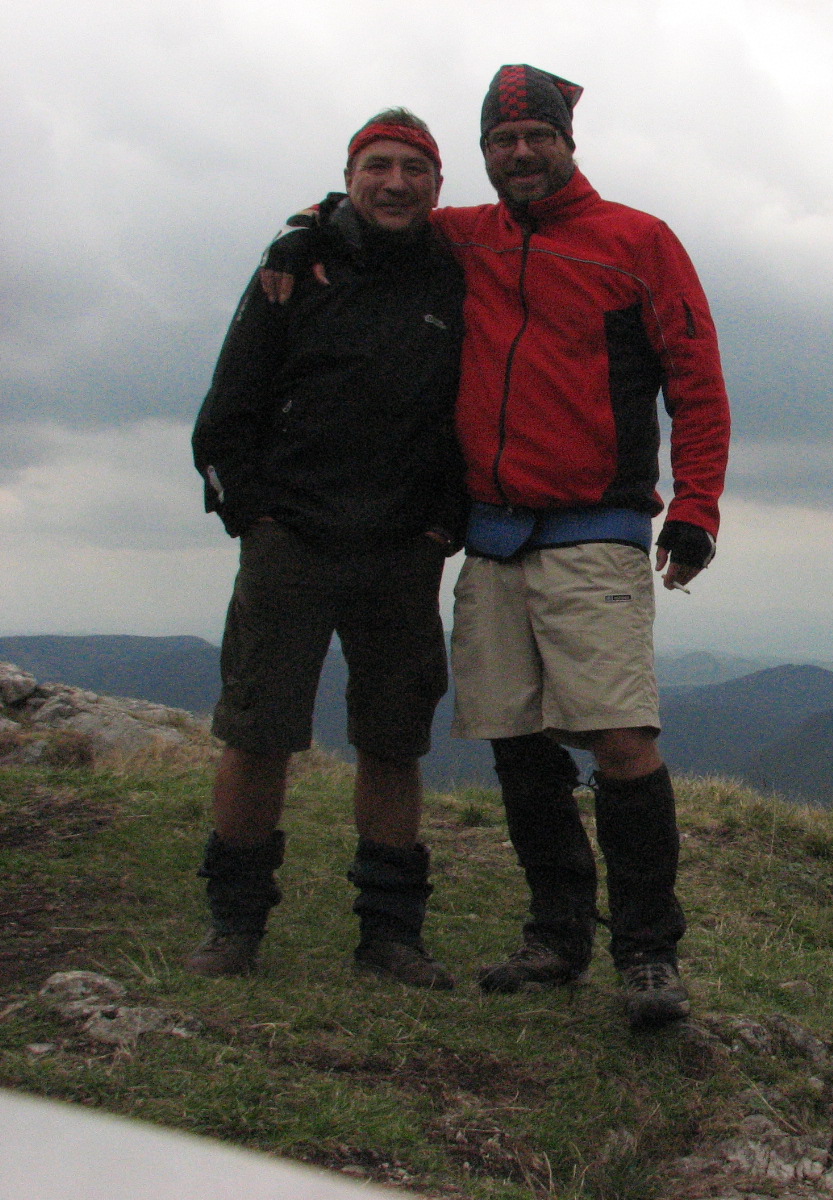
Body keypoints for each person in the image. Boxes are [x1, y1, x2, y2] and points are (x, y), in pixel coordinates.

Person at [265, 65, 731, 1028]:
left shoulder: (638, 241)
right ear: (483, 153)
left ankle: (648, 953)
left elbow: (696, 378)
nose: (520, 153)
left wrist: (698, 507)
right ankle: (557, 938)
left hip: (595, 527)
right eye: (502, 140)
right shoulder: (465, 233)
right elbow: (374, 207)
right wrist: (304, 228)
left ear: (568, 142)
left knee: (621, 739)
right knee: (517, 743)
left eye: (536, 137)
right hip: (491, 535)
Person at [190, 108, 467, 988]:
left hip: (402, 547)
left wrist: (443, 524)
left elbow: (470, 413)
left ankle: (389, 936)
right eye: (377, 166)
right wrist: (255, 517)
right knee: (257, 732)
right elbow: (227, 410)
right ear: (350, 178)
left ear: (438, 185)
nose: (395, 183)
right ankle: (234, 926)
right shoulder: (294, 268)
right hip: (293, 540)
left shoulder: (457, 272)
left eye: (414, 169)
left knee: (394, 741)